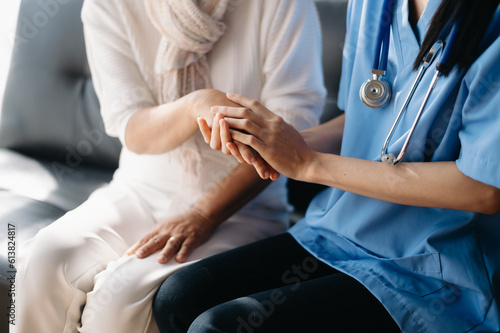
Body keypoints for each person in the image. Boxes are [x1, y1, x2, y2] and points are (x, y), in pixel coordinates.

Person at [152, 0, 500, 332]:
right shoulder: (373, 5)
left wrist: (308, 163)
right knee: (179, 297)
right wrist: (265, 141)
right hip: (342, 228)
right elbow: (360, 121)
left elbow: (483, 188)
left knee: (217, 328)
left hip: (435, 263)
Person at [13, 0, 325, 332]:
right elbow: (132, 127)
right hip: (139, 191)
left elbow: (295, 129)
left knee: (121, 304)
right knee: (44, 260)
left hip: (243, 209)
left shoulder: (282, 4)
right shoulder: (109, 5)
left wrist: (205, 214)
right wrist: (196, 105)